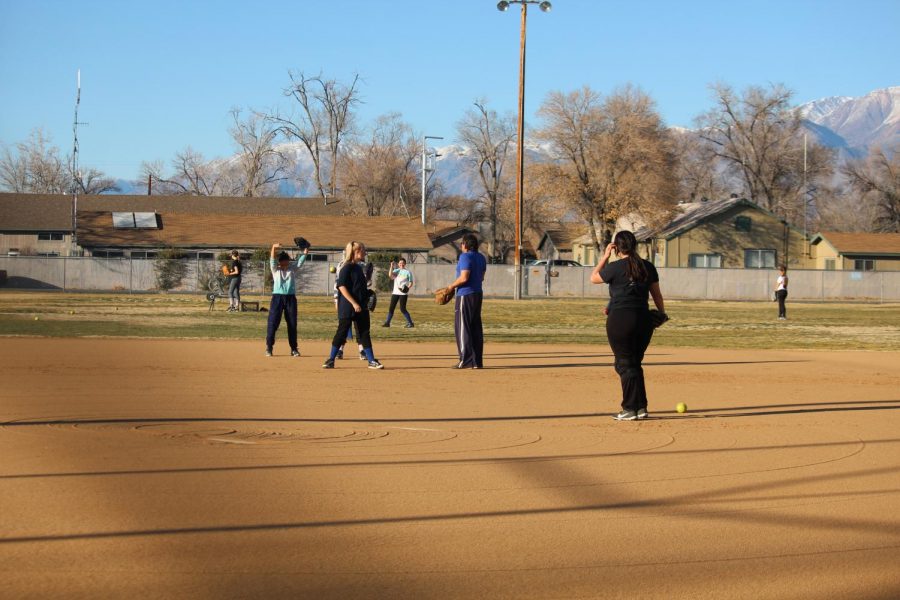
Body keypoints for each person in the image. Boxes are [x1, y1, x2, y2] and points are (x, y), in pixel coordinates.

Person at [590, 230, 666, 421]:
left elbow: (594, 277)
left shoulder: (615, 267)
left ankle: (629, 409)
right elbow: (657, 295)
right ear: (634, 245)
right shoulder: (647, 266)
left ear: (616, 247)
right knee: (634, 363)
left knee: (624, 364)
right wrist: (662, 314)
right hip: (643, 319)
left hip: (620, 319)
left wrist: (605, 256)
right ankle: (640, 407)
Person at [323, 241, 384, 370]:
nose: (365, 252)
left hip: (361, 306)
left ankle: (372, 361)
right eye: (363, 250)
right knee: (342, 333)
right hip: (348, 306)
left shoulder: (358, 268)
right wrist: (354, 303)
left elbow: (357, 287)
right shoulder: (347, 267)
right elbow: (341, 287)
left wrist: (368, 294)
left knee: (364, 333)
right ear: (356, 252)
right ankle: (330, 360)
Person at [446, 233, 487, 369]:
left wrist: (451, 286)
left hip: (465, 294)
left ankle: (466, 360)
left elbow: (464, 277)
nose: (461, 245)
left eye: (462, 243)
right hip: (477, 294)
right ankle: (477, 361)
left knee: (463, 327)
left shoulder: (465, 256)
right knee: (475, 327)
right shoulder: (481, 257)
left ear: (466, 245)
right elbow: (481, 277)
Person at [265, 242, 308, 357]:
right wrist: (274, 247)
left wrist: (305, 251)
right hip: (277, 298)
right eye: (283, 260)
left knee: (292, 324)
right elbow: (272, 258)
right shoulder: (275, 269)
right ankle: (269, 347)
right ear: (280, 261)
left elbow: (300, 262)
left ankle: (294, 348)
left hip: (290, 298)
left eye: (287, 260)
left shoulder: (292, 269)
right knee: (273, 322)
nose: (286, 262)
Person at [383, 258, 415, 328]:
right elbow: (390, 276)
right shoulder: (396, 271)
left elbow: (411, 282)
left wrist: (408, 288)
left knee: (402, 309)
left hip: (403, 293)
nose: (401, 264)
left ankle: (410, 323)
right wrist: (391, 266)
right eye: (400, 263)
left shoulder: (408, 272)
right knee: (391, 308)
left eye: (403, 263)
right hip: (395, 293)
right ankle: (387, 323)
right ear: (398, 264)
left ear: (405, 264)